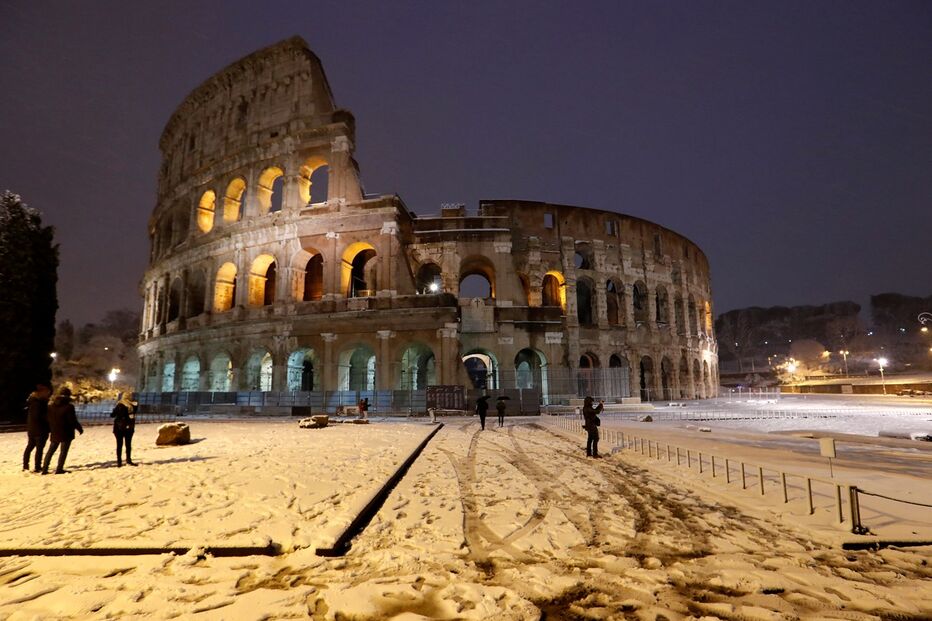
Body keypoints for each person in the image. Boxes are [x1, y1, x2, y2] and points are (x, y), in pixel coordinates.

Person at [42, 386, 83, 474]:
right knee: (63, 451)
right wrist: (79, 428)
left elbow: (47, 418)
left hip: (55, 431)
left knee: (51, 450)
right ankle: (59, 468)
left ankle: (45, 469)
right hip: (66, 432)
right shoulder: (69, 407)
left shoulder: (51, 406)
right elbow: (72, 420)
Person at [23, 381, 52, 472]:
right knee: (38, 449)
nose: (48, 394)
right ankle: (37, 466)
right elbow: (39, 416)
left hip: (32, 429)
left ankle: (26, 465)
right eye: (47, 393)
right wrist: (48, 419)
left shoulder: (32, 401)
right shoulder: (38, 403)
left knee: (30, 447)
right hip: (40, 429)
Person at [111, 392, 138, 467]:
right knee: (128, 445)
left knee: (119, 445)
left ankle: (119, 462)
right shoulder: (132, 405)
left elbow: (112, 415)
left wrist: (114, 410)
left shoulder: (119, 404)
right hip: (129, 427)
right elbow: (133, 414)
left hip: (119, 428)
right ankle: (128, 460)